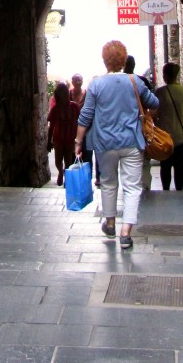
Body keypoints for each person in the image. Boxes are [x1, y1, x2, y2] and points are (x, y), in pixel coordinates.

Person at [75, 39, 159, 249]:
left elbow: (86, 115)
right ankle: (126, 232)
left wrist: (78, 141)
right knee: (132, 187)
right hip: (131, 141)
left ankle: (110, 222)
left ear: (105, 61)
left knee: (108, 183)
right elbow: (155, 103)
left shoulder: (96, 84)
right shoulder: (134, 82)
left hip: (105, 143)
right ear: (123, 60)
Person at [155, 61, 183, 191]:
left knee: (165, 165)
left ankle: (166, 189)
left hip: (164, 135)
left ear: (165, 76)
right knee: (179, 164)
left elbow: (154, 114)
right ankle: (179, 190)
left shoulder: (160, 93)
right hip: (181, 135)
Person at [123, 54, 153, 193]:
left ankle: (130, 186)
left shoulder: (115, 82)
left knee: (126, 159)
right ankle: (145, 185)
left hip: (122, 126)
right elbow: (153, 103)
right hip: (141, 124)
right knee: (143, 158)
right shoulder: (142, 81)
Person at [47, 80, 79, 186]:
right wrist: (49, 141)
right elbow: (51, 126)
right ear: (58, 95)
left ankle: (67, 178)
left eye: (66, 92)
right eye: (62, 92)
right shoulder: (55, 109)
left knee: (68, 160)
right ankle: (61, 171)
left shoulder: (74, 107)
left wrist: (78, 139)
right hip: (58, 139)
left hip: (70, 138)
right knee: (57, 160)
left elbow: (79, 122)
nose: (65, 94)